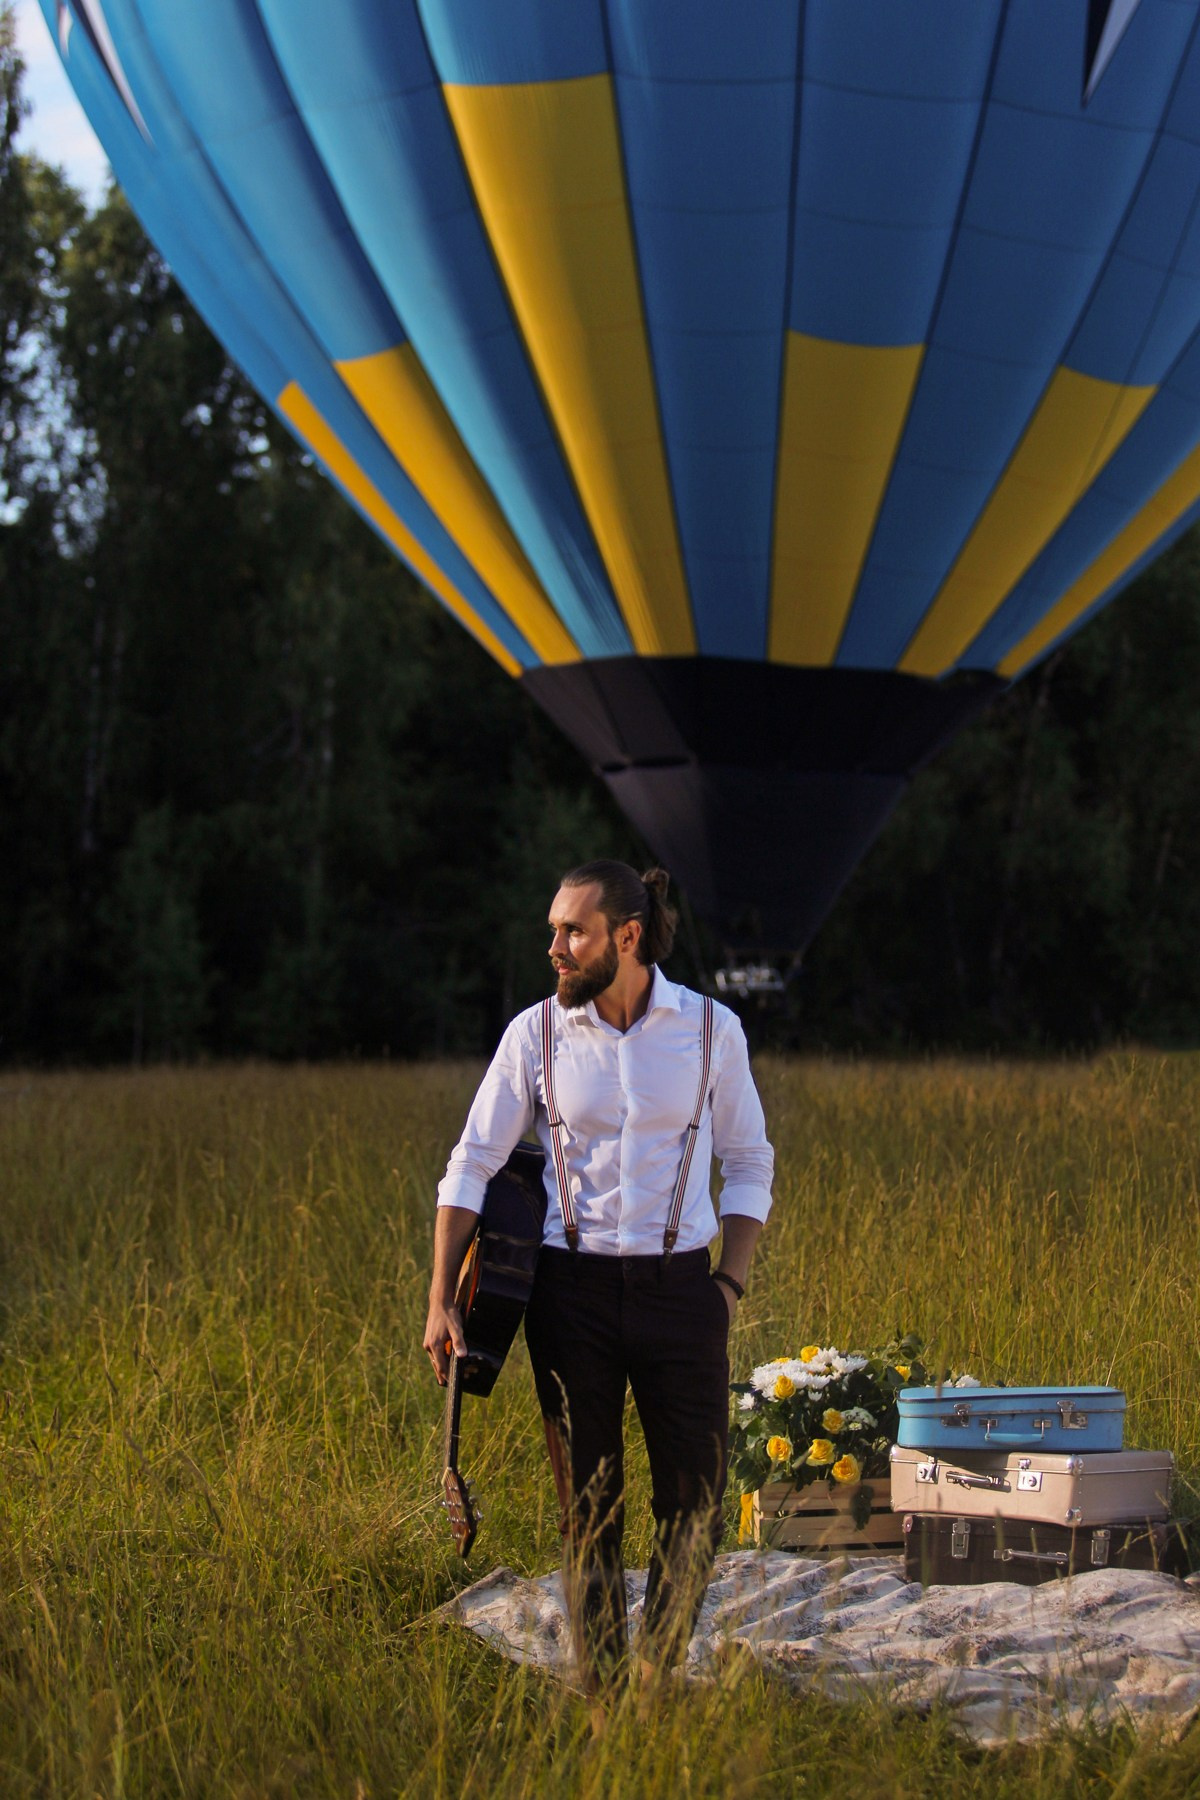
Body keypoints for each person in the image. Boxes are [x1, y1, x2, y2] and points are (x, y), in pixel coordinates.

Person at [423, 860, 774, 1699]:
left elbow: (748, 1160)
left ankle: (655, 1667)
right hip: (569, 1295)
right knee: (590, 1506)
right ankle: (607, 1696)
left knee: (696, 1501)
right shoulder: (534, 1035)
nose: (554, 948)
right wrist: (439, 1299)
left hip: (682, 1292)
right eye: (553, 929)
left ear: (627, 936)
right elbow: (472, 1162)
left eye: (572, 932)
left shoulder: (711, 1030)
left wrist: (728, 1285)